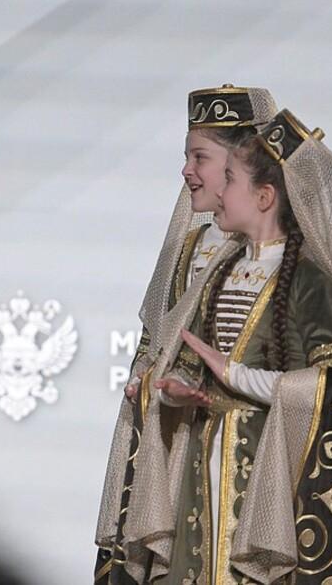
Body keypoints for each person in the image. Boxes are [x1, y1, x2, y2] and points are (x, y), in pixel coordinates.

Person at [123, 109, 332, 583]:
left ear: (265, 197)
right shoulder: (216, 274)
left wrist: (234, 375)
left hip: (270, 470)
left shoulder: (310, 283)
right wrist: (174, 390)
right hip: (202, 459)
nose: (219, 193)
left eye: (229, 180)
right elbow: (188, 361)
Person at [94, 85, 276, 583]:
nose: (187, 171)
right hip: (180, 452)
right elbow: (159, 343)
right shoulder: (191, 245)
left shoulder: (284, 254)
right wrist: (149, 381)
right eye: (186, 156)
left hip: (254, 458)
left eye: (201, 157)